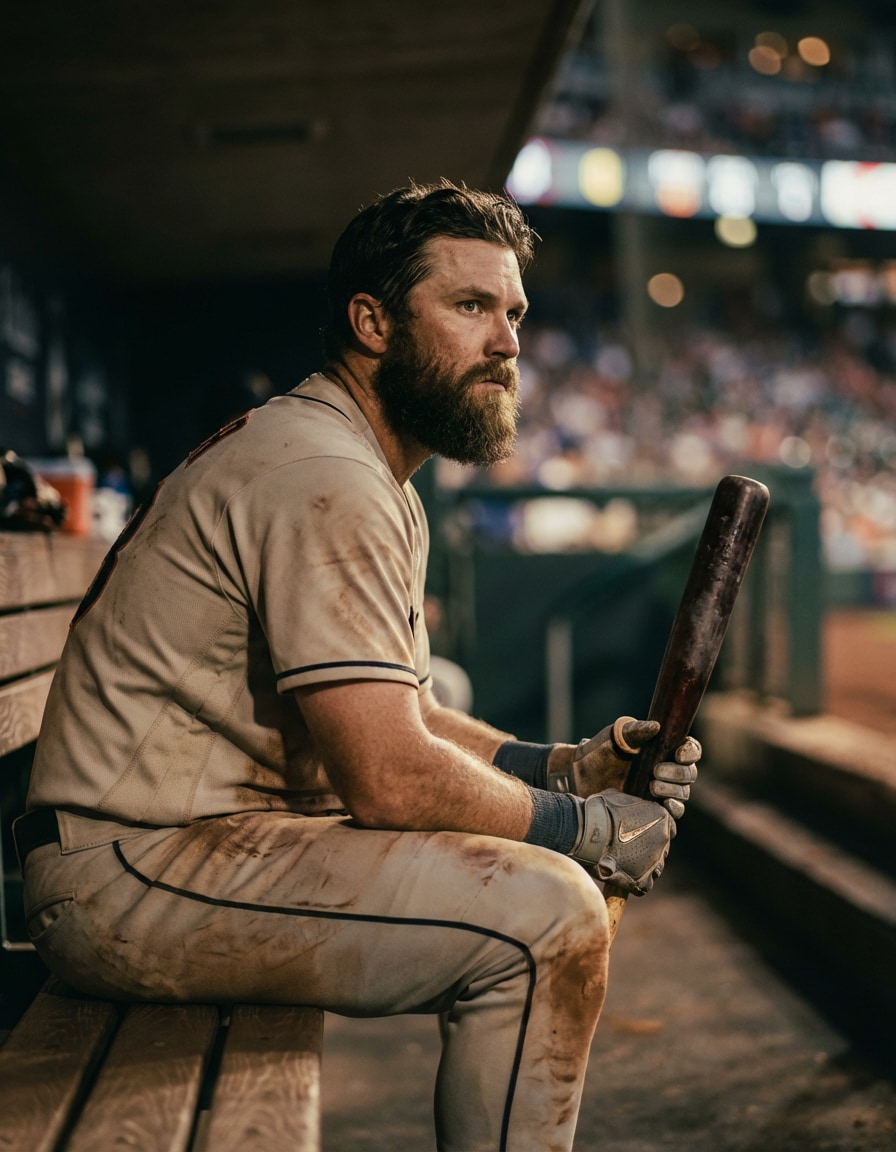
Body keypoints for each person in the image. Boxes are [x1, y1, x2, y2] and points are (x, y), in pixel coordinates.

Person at [15, 180, 700, 1152]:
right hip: (126, 875)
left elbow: (405, 710)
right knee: (546, 918)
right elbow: (385, 776)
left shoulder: (355, 460)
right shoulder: (324, 472)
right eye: (469, 307)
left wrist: (561, 767)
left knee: (543, 888)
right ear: (372, 322)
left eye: (513, 313)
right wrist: (581, 828)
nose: (507, 342)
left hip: (175, 848)